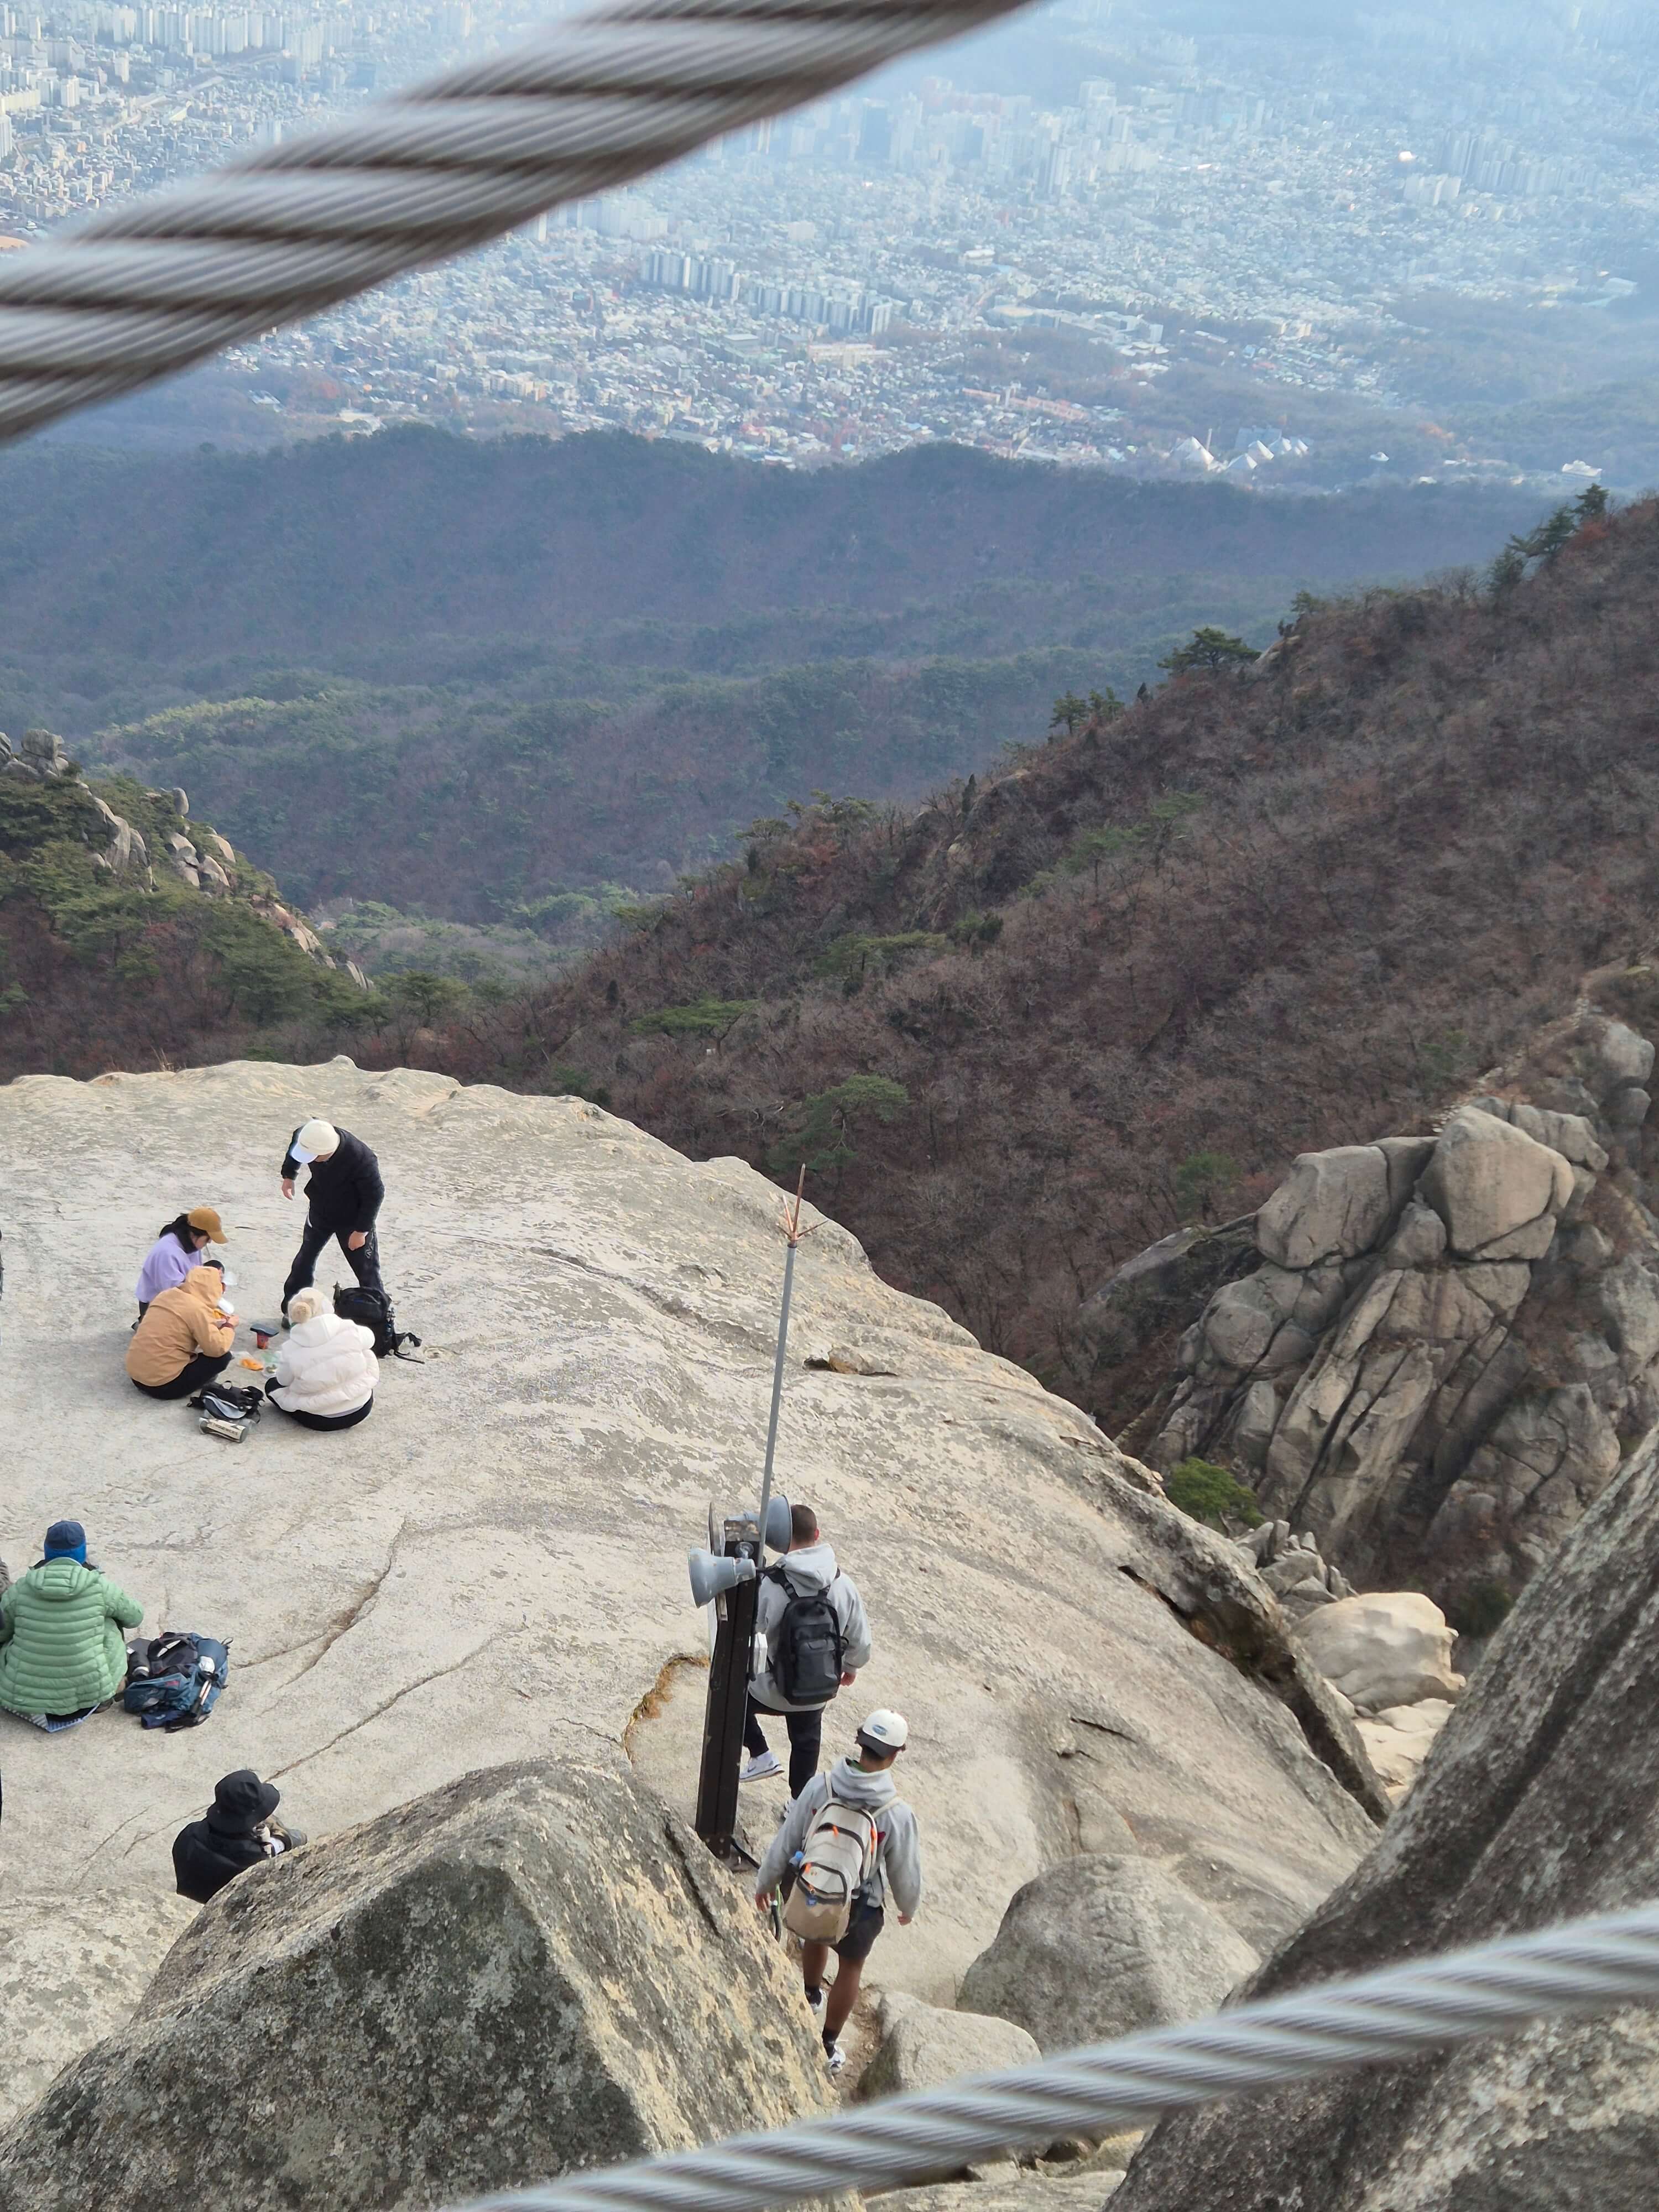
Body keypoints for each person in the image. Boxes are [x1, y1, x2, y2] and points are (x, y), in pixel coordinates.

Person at [754, 1709, 922, 2075]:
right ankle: (828, 2045)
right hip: (860, 1902)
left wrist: (765, 1882)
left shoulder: (822, 1785)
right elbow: (905, 1872)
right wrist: (908, 1907)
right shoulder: (896, 1813)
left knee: (815, 1935)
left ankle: (810, 1994)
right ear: (896, 1754)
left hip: (812, 1886)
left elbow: (787, 1839)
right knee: (851, 1967)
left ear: (860, 1742)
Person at [741, 1503, 871, 1797]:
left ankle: (760, 1753)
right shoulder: (843, 1585)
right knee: (806, 1740)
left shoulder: (771, 1584)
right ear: (817, 1534)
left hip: (770, 1690)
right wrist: (850, 1667)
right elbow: (861, 1642)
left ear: (783, 1539)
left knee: (731, 1696)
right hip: (817, 1689)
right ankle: (798, 1802)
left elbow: (753, 1630)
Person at [0, 1520, 143, 1723]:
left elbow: (2, 1632)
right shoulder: (99, 1586)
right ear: (82, 1552)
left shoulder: (21, 1588)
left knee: (16, 1631)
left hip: (23, 1696)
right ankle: (108, 1692)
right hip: (90, 1691)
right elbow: (135, 1617)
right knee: (109, 1624)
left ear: (47, 1551)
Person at [279, 1118, 386, 1318]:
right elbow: (297, 1147)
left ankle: (380, 1321)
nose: (308, 1160)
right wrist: (289, 1176)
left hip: (354, 1220)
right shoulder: (309, 1134)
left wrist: (361, 1231)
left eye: (312, 1157)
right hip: (321, 1209)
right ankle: (293, 1310)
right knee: (305, 1259)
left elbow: (375, 1194)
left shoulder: (361, 1158)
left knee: (367, 1272)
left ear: (326, 1152)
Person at [172, 1770, 307, 1904]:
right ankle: (279, 1842)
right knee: (295, 1841)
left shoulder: (189, 1833)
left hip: (189, 1892)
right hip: (220, 1904)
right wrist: (277, 1843)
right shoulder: (253, 1861)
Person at [265, 1284, 378, 1430]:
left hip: (322, 1420)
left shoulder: (290, 1349)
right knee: (364, 1352)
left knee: (272, 1386)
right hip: (362, 1408)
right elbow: (371, 1339)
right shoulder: (351, 1328)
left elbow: (283, 1381)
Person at [126, 1262, 237, 1399]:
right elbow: (217, 1349)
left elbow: (178, 1324)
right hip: (161, 1386)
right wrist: (229, 1326)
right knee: (222, 1358)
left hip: (136, 1376)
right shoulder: (198, 1309)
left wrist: (212, 1324)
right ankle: (198, 1383)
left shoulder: (166, 1295)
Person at [134, 1206, 228, 1320]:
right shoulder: (167, 1253)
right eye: (207, 1239)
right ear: (194, 1234)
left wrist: (214, 1278)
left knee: (215, 1266)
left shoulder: (192, 1244)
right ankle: (145, 1324)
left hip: (181, 1293)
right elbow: (173, 1294)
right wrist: (209, 1284)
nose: (209, 1242)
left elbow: (195, 1272)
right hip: (158, 1306)